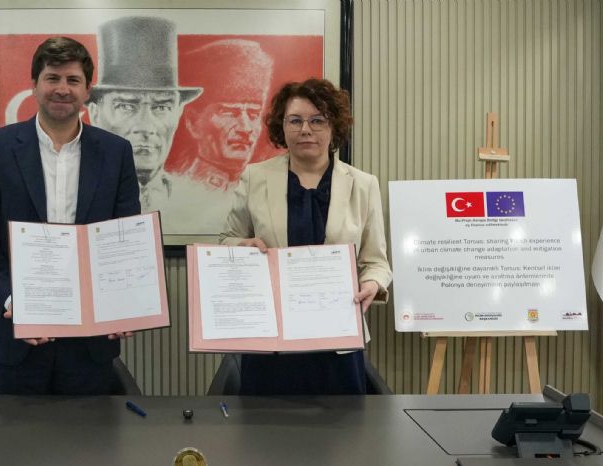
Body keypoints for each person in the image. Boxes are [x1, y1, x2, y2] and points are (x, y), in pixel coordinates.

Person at [0, 37, 141, 395]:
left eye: (73, 80)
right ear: (34, 84)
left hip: (90, 340)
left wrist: (123, 303)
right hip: (16, 335)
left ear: (88, 90)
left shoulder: (115, 152)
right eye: (52, 78)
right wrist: (11, 299)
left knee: (87, 431)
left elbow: (125, 235)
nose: (62, 89)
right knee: (13, 433)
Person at [219, 78, 392, 395]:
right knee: (264, 422)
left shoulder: (363, 185)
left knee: (344, 425)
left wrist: (372, 284)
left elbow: (376, 262)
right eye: (295, 120)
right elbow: (227, 240)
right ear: (281, 126)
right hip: (271, 340)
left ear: (333, 126)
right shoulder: (255, 177)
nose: (306, 130)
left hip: (338, 339)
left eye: (317, 120)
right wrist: (243, 246)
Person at [86, 16, 202, 213]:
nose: (146, 127)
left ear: (178, 113)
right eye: (126, 106)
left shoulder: (198, 202)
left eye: (161, 107)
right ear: (95, 114)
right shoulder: (76, 195)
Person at [170, 39, 273, 191]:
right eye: (229, 113)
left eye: (253, 114)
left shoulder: (266, 191)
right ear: (192, 122)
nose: (245, 128)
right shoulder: (174, 192)